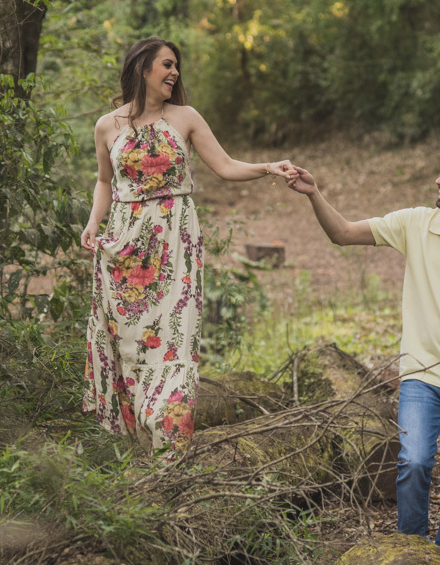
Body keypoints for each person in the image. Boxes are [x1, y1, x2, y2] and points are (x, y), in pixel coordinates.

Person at [286, 146, 440, 562]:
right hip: (422, 375)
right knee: (414, 463)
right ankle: (414, 559)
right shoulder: (416, 223)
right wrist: (314, 194)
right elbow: (342, 232)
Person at [81, 37, 294, 452]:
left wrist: (269, 167)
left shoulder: (185, 117)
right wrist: (93, 224)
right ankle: (138, 446)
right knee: (129, 344)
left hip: (175, 243)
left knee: (175, 339)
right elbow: (105, 182)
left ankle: (170, 441)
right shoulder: (107, 125)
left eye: (177, 65)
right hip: (125, 248)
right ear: (143, 68)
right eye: (166, 64)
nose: (174, 72)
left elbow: (226, 166)